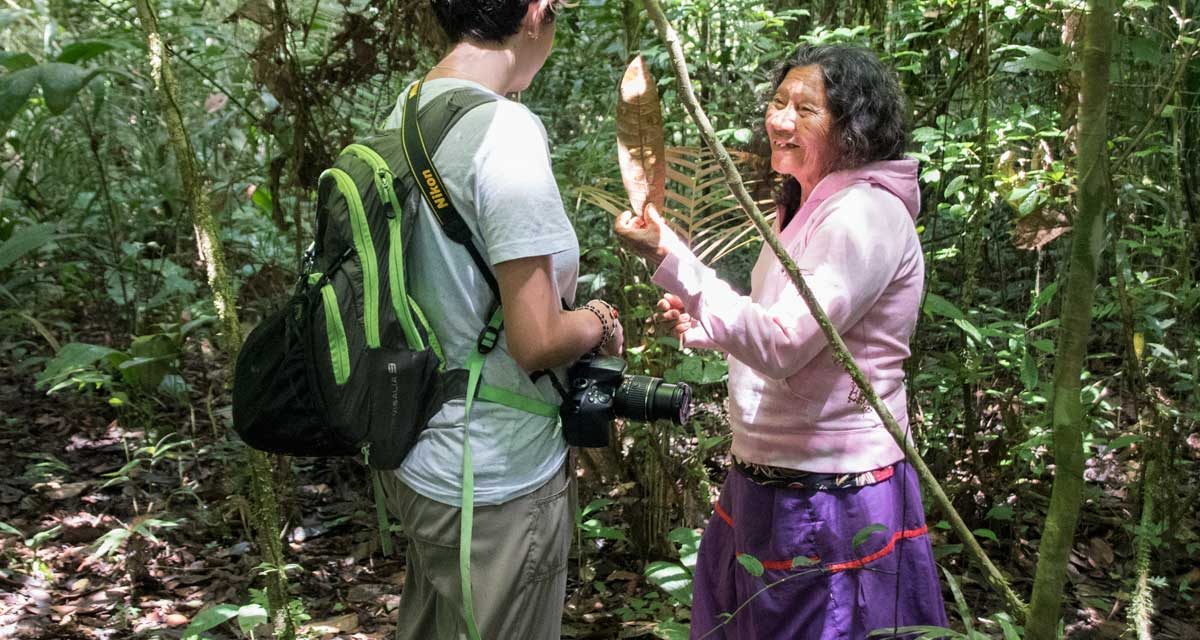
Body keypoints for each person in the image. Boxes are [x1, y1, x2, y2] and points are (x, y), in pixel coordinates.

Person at [615, 45, 948, 639]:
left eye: (806, 108)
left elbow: (784, 344)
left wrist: (676, 263)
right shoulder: (803, 210)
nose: (781, 120)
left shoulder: (863, 215)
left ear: (854, 128)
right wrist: (705, 322)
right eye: (778, 102)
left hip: (829, 494)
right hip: (772, 476)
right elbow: (789, 336)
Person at [376, 1, 622, 638]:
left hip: (420, 457)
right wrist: (597, 321)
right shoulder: (503, 131)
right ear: (537, 11)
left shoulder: (410, 109)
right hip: (494, 477)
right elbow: (537, 338)